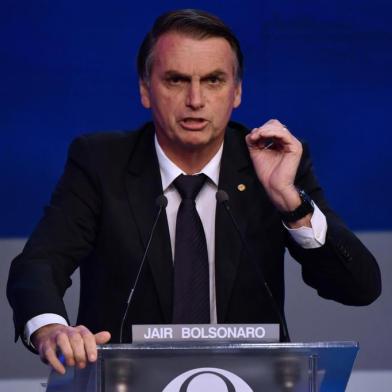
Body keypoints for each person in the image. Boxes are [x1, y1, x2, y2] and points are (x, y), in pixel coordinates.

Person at [7, 9, 381, 375]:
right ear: (145, 89)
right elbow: (39, 264)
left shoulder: (270, 164)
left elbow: (359, 288)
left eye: (214, 80)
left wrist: (291, 204)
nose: (196, 100)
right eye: (176, 80)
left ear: (237, 92)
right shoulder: (100, 163)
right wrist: (51, 329)